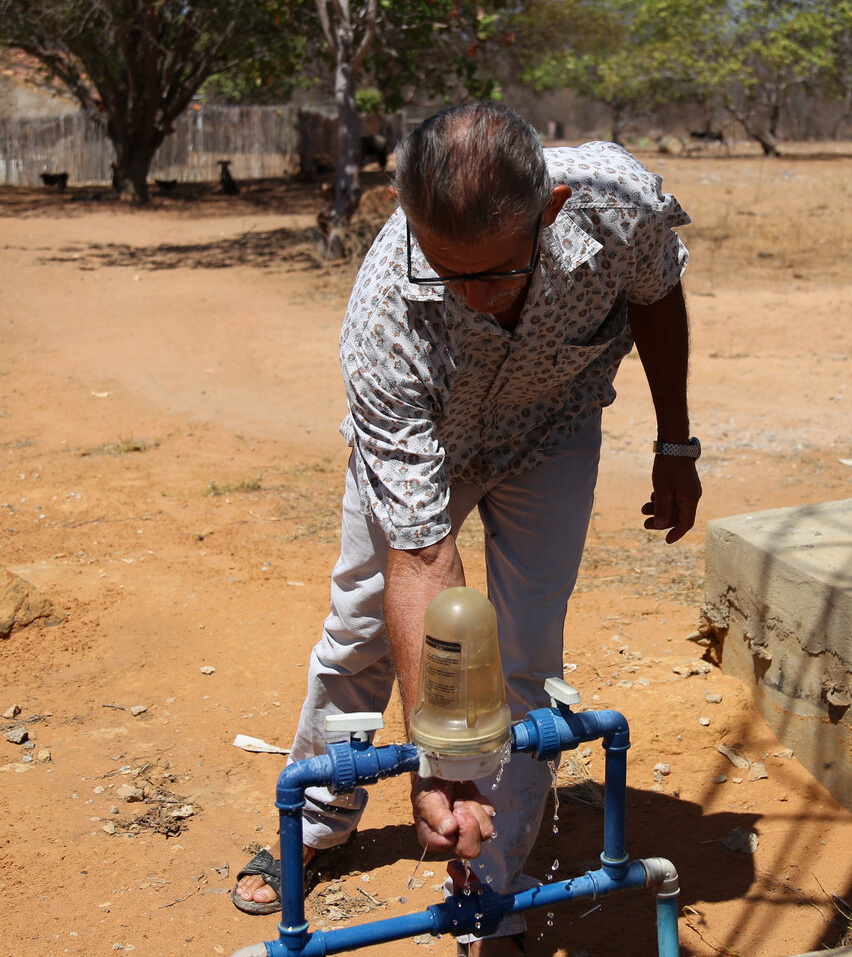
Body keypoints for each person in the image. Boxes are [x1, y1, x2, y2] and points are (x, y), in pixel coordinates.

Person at [233, 102, 702, 956]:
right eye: (451, 275)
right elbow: (423, 556)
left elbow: (657, 296)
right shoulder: (384, 318)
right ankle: (322, 822)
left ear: (550, 212)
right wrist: (438, 758)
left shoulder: (616, 201)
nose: (475, 299)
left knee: (527, 656)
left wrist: (676, 443)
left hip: (552, 432)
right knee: (361, 631)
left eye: (495, 274)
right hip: (428, 444)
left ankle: (491, 876)